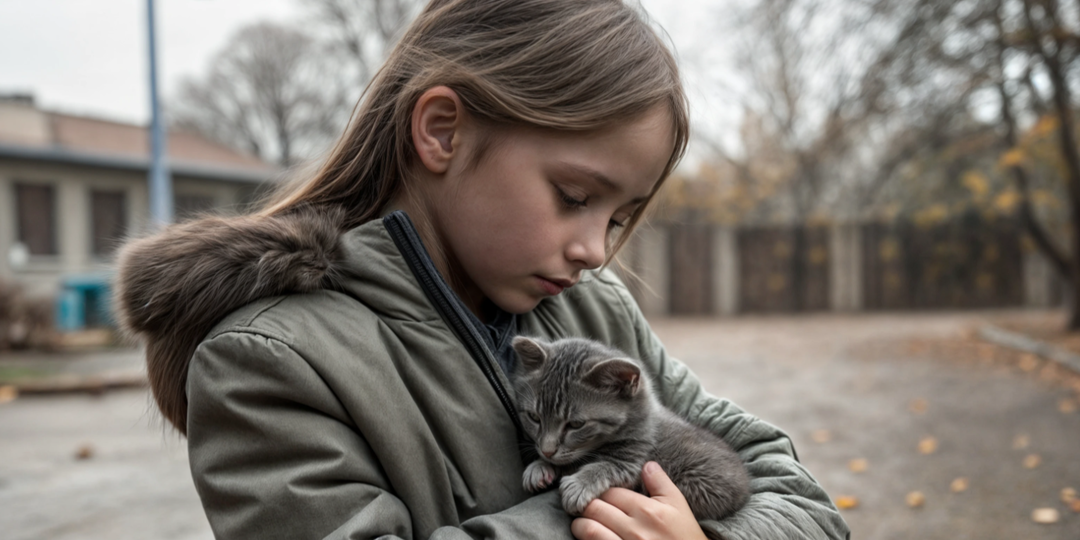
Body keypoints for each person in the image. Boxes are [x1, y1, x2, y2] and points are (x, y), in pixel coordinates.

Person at [114, 0, 850, 539]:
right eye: (574, 197)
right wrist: (606, 520)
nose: (595, 248)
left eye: (619, 217)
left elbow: (799, 498)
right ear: (442, 131)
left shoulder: (594, 315)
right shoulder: (267, 362)